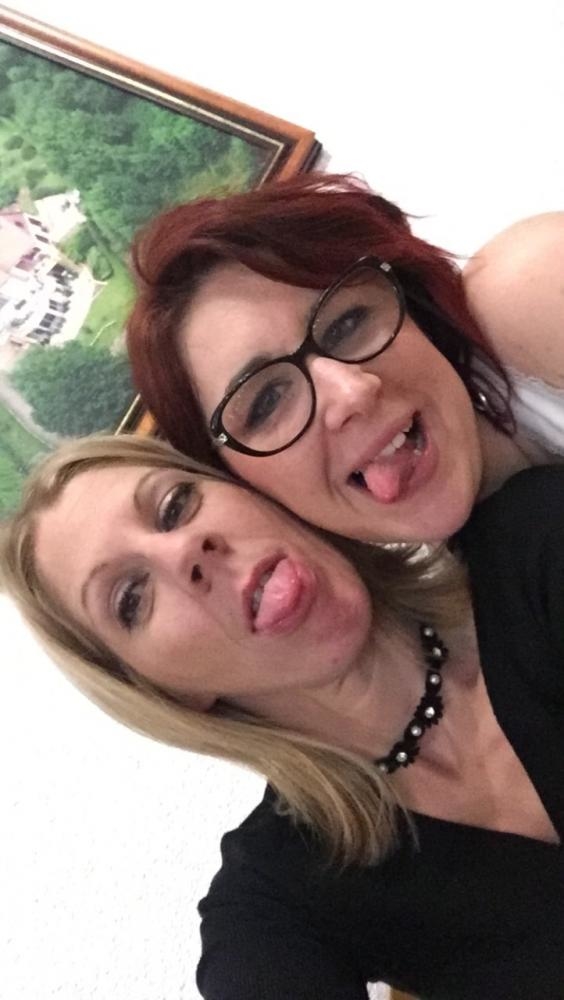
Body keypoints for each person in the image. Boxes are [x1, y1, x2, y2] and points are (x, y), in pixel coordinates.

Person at [2, 433, 564, 998]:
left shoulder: (533, 542)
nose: (184, 551)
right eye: (131, 597)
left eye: (175, 505)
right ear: (161, 690)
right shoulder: (272, 900)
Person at [126, 172, 564, 543]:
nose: (352, 392)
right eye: (266, 401)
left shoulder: (528, 287)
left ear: (413, 305)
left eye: (346, 324)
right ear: (239, 484)